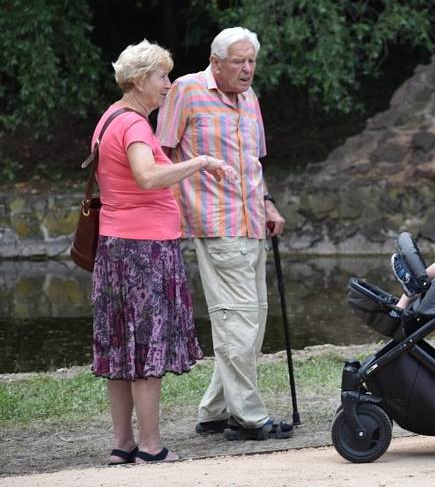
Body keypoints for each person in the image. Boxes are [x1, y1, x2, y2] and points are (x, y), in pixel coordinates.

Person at [91, 40, 238, 464]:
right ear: (139, 81)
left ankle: (123, 444)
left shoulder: (109, 119)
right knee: (146, 349)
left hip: (115, 246)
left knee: (121, 348)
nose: (168, 85)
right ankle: (151, 447)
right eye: (161, 77)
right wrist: (202, 161)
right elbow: (148, 176)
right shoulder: (135, 125)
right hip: (144, 250)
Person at [156, 27, 294, 441]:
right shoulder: (186, 90)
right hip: (216, 224)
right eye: (239, 61)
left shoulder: (250, 99)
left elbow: (254, 162)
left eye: (251, 61)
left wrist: (268, 204)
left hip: (253, 223)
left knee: (252, 321)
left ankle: (214, 411)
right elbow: (161, 153)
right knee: (237, 322)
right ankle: (248, 417)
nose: (247, 69)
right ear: (216, 62)